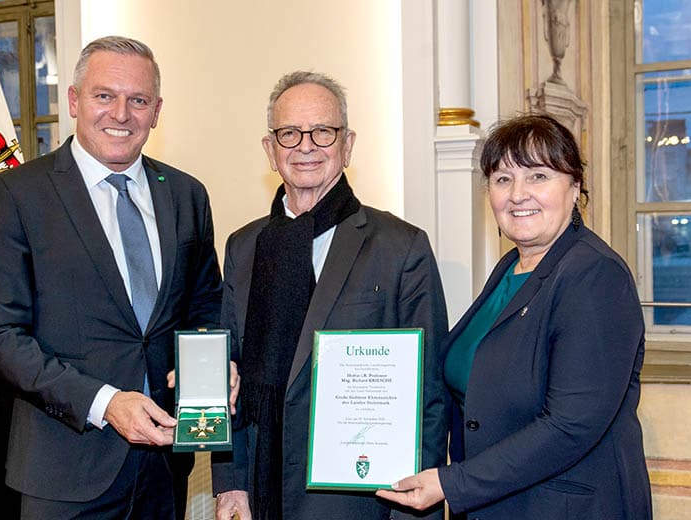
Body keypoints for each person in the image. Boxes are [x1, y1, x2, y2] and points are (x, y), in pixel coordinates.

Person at [0, 36, 226, 519]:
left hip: (165, 470)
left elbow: (206, 305)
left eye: (139, 100)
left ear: (157, 111)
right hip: (64, 471)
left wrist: (216, 361)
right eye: (104, 95)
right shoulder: (17, 196)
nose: (121, 114)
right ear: (73, 101)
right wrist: (104, 403)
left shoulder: (186, 194)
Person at [377, 114, 652, 519]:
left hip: (566, 508)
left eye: (538, 176)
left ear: (575, 187)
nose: (518, 194)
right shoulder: (511, 267)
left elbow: (570, 425)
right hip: (500, 502)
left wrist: (454, 483)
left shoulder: (594, 274)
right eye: (503, 179)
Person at [211, 71, 449, 520]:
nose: (306, 146)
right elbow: (229, 373)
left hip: (356, 501)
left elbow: (429, 396)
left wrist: (414, 512)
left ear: (348, 144)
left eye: (323, 131)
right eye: (289, 133)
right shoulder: (243, 247)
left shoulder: (400, 248)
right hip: (260, 491)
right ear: (270, 149)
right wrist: (231, 482)